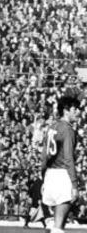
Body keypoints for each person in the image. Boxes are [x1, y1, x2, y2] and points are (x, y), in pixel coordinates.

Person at [41, 96, 80, 233]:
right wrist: (75, 184)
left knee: (53, 224)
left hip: (50, 174)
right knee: (59, 227)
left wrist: (43, 175)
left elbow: (44, 154)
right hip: (62, 175)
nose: (78, 112)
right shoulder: (68, 129)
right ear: (66, 110)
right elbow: (69, 158)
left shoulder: (52, 126)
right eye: (75, 109)